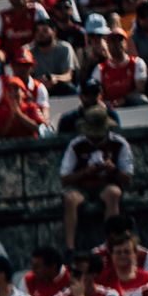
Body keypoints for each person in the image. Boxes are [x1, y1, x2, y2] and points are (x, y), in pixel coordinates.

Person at [60, 104, 132, 247]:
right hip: (82, 187)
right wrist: (85, 172)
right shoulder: (76, 145)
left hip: (107, 185)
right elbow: (64, 178)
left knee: (113, 193)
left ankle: (111, 243)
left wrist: (113, 170)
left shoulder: (119, 144)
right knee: (70, 199)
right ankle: (70, 247)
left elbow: (128, 178)